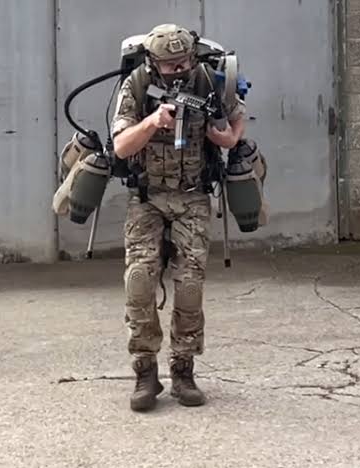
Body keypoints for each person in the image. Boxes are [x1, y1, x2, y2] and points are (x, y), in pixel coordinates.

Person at [110, 23, 247, 412]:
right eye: (171, 65)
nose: (179, 69)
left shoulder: (208, 80)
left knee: (189, 286)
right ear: (153, 62)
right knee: (140, 281)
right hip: (147, 197)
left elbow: (238, 117)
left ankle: (183, 370)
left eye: (184, 61)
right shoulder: (136, 85)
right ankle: (145, 371)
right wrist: (153, 121)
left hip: (192, 196)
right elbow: (121, 146)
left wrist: (228, 138)